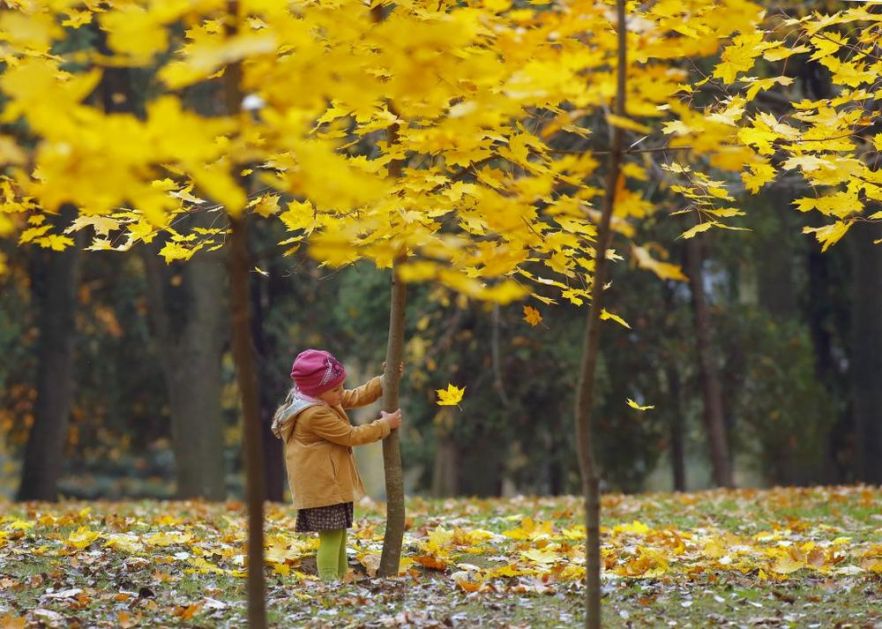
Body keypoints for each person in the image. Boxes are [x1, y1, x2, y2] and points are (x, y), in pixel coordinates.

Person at [271, 348, 403, 582]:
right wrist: (385, 425)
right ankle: (329, 582)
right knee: (331, 538)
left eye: (341, 386)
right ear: (318, 392)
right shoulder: (313, 415)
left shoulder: (322, 399)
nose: (342, 392)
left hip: (331, 485)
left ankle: (340, 578)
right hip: (322, 487)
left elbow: (354, 396)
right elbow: (351, 436)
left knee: (339, 534)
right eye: (336, 389)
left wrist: (384, 381)